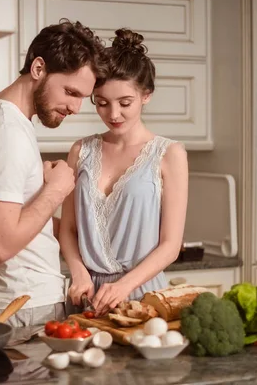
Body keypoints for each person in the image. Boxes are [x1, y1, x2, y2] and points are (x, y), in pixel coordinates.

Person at [0, 19, 106, 338]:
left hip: (19, 305)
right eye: (70, 92)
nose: (77, 108)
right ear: (38, 68)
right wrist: (56, 190)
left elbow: (16, 220)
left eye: (83, 97)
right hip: (22, 309)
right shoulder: (5, 132)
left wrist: (70, 229)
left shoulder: (4, 120)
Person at [59, 28, 189, 317]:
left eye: (125, 103)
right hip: (86, 297)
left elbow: (171, 246)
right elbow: (68, 229)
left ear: (146, 96)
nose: (113, 114)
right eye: (102, 103)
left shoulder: (169, 154)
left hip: (144, 296)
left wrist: (123, 287)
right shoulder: (80, 151)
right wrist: (79, 273)